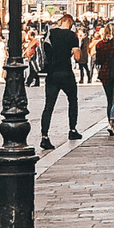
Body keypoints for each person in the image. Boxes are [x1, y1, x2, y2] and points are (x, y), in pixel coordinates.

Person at [38, 14, 83, 150]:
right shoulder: (72, 36)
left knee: (49, 105)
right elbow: (77, 57)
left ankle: (44, 136)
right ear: (69, 22)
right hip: (66, 72)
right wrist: (76, 49)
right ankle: (72, 130)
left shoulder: (50, 33)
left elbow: (45, 49)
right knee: (72, 100)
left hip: (52, 73)